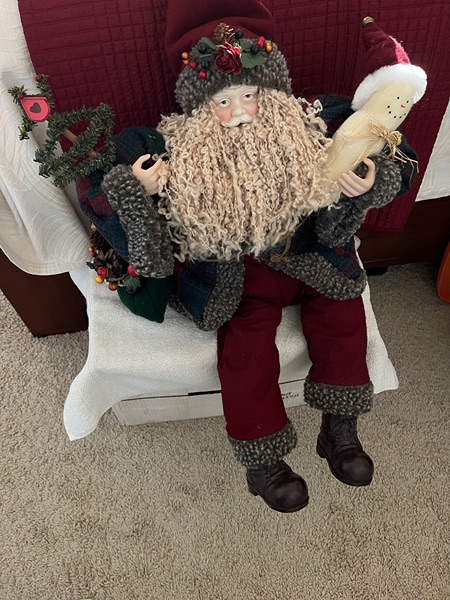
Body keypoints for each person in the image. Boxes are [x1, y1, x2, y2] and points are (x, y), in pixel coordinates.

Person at [78, 0, 420, 513]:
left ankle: (340, 427)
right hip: (236, 275)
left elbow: (395, 146)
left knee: (342, 310)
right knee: (244, 350)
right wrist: (135, 187)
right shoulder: (168, 144)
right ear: (199, 103)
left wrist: (374, 178)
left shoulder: (313, 119)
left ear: (270, 90)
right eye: (221, 101)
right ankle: (263, 460)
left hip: (310, 252)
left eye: (249, 95)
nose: (238, 111)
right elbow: (96, 186)